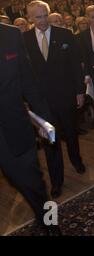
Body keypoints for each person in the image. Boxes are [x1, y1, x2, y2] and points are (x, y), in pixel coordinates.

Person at [0, 22, 61, 235]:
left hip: (14, 128)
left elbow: (28, 82)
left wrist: (44, 121)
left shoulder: (10, 34)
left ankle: (51, 223)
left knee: (34, 185)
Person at [24, 0, 86, 199]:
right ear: (30, 18)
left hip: (66, 95)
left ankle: (76, 160)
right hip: (41, 101)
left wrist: (80, 91)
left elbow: (76, 65)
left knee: (71, 132)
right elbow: (23, 73)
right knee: (50, 141)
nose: (42, 21)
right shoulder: (23, 40)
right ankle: (56, 181)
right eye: (37, 17)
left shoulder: (65, 35)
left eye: (44, 16)